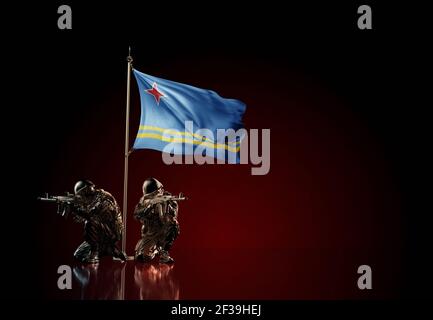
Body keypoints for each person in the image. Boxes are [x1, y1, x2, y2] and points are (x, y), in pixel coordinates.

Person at [70, 180, 127, 263]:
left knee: (90, 222)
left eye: (81, 194)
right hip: (100, 232)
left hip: (112, 232)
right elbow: (80, 219)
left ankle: (95, 253)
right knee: (78, 254)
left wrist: (75, 209)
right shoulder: (91, 199)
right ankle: (111, 250)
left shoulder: (104, 197)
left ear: (86, 190)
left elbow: (91, 215)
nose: (82, 197)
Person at [134, 178, 181, 264]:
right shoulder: (144, 201)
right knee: (142, 257)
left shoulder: (168, 200)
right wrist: (150, 206)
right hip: (149, 234)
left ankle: (164, 252)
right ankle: (154, 249)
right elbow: (137, 215)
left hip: (162, 232)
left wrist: (167, 206)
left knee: (174, 225)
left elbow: (173, 217)